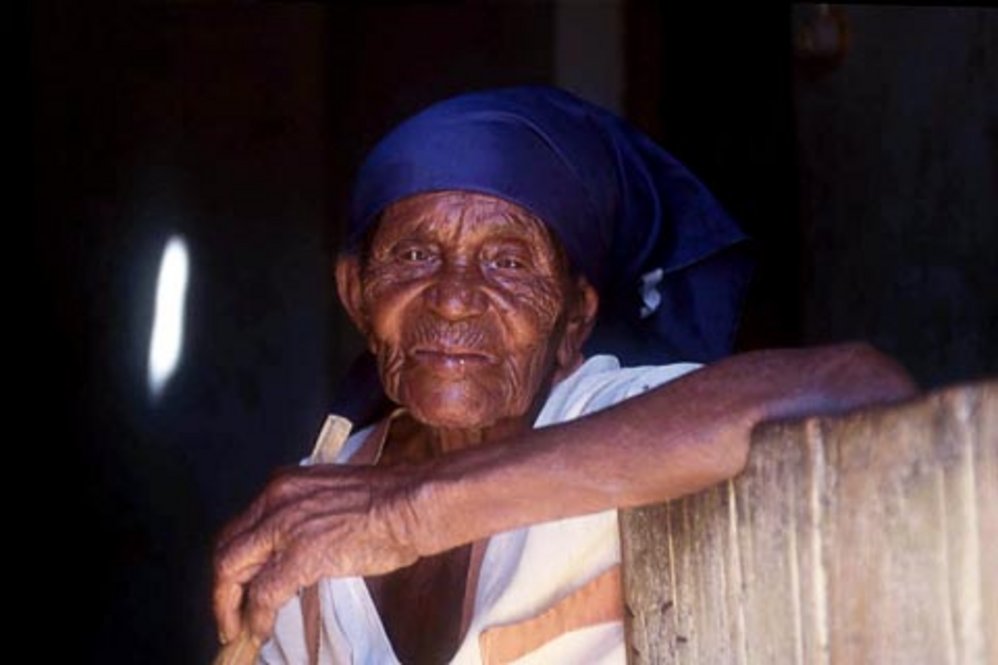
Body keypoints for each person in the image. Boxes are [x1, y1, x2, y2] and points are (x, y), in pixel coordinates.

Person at [212, 87, 916, 665]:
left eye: (509, 263)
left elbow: (857, 386)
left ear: (575, 319)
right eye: (415, 256)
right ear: (355, 291)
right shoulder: (316, 504)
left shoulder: (607, 422)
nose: (453, 299)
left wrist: (411, 512)